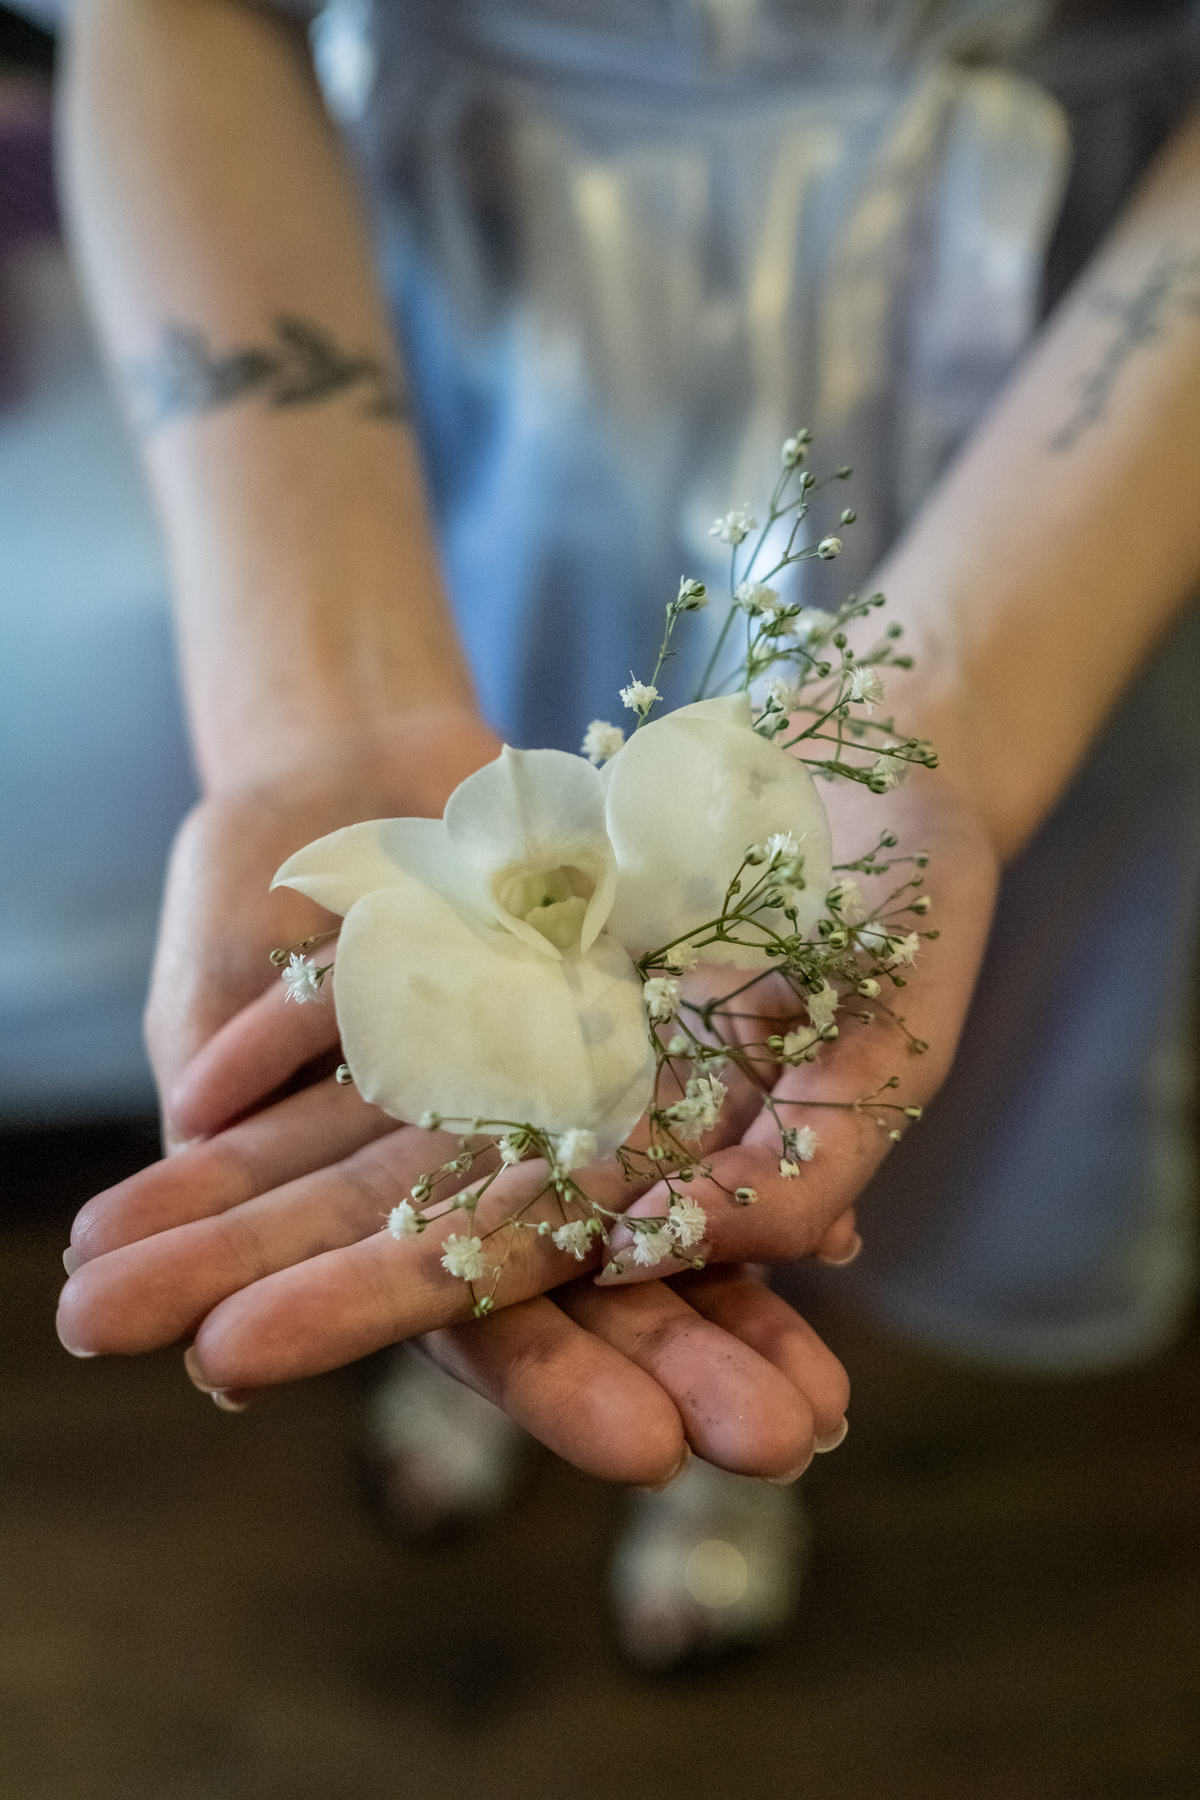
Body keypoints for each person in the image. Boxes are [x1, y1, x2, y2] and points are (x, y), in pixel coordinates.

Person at [34, 0, 1200, 1663]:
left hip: (1073, 415)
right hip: (493, 367)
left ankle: (740, 1408)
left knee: (830, 1078)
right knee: (499, 1091)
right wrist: (323, 704)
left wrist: (952, 693)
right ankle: (501, 1350)